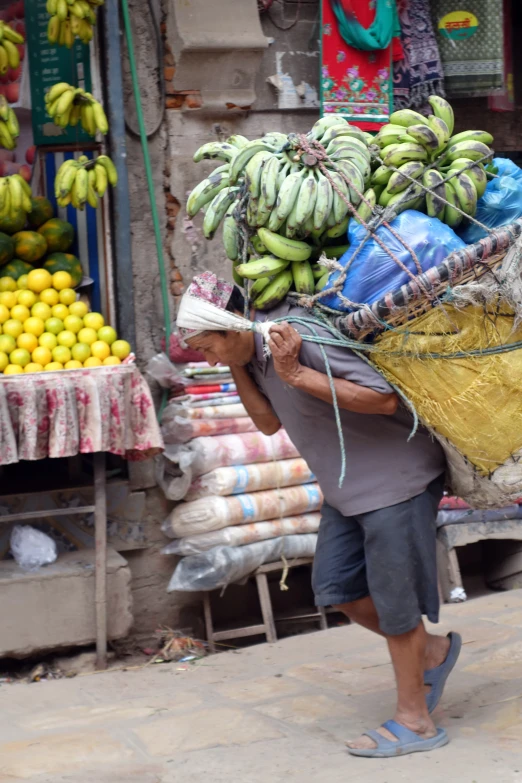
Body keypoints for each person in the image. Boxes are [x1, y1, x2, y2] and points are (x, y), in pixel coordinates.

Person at [177, 271, 462, 758]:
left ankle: (416, 721)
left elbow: (384, 398)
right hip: (347, 488)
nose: (207, 358)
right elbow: (267, 424)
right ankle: (430, 652)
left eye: (209, 347)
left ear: (231, 327)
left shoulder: (298, 336)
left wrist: (297, 374)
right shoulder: (254, 352)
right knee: (339, 590)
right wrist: (236, 362)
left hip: (396, 479)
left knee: (396, 606)